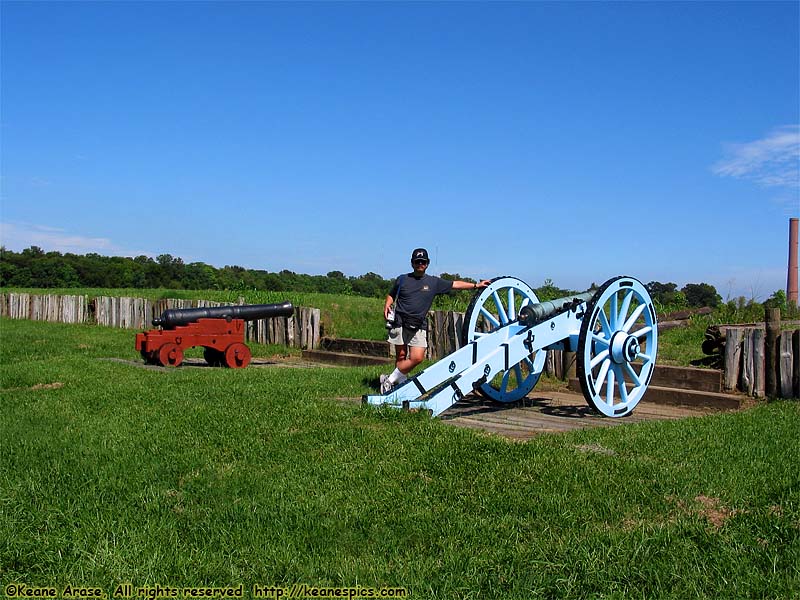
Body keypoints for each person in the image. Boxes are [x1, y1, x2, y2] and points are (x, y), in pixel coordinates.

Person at [380, 248, 491, 393]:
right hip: (399, 321)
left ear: (427, 263)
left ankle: (388, 380)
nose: (420, 264)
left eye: (423, 262)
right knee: (401, 356)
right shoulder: (402, 279)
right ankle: (399, 385)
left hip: (418, 325)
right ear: (412, 263)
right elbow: (391, 294)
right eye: (417, 261)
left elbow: (455, 284)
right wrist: (387, 304)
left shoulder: (433, 282)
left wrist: (476, 285)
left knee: (417, 357)